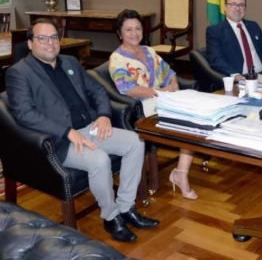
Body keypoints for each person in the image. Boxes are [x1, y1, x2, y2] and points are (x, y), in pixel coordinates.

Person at [5, 18, 159, 242]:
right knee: (99, 160)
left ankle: (126, 207)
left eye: (54, 37)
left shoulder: (69, 62)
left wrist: (104, 115)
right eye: (42, 38)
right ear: (30, 43)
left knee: (136, 142)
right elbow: (24, 114)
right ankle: (111, 217)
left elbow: (97, 90)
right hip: (59, 139)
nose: (50, 43)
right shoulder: (19, 72)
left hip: (91, 127)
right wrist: (66, 131)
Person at [109, 9, 197, 200]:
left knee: (194, 116)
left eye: (138, 28)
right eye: (128, 29)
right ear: (120, 33)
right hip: (143, 106)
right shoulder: (117, 59)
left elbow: (169, 73)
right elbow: (128, 88)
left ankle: (181, 173)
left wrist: (173, 85)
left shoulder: (149, 51)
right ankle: (180, 175)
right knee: (187, 120)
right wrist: (161, 92)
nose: (134, 33)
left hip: (164, 98)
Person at [206, 0, 262, 80]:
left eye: (242, 5)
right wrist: (235, 75)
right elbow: (216, 59)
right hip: (240, 77)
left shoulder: (253, 26)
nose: (238, 9)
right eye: (233, 5)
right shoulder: (215, 31)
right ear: (225, 7)